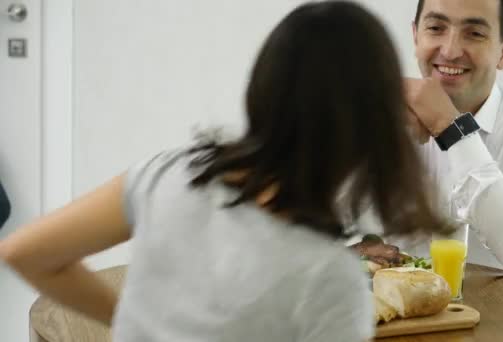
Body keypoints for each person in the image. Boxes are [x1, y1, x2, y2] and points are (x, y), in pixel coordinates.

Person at [0, 2, 447, 341]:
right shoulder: (331, 282)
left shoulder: (170, 174)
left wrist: (142, 326)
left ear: (263, 86)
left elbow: (25, 251)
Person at [392, 0, 503, 289]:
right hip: (413, 324)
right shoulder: (378, 116)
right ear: (416, 37)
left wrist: (450, 128)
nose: (450, 51)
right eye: (436, 28)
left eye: (474, 33)